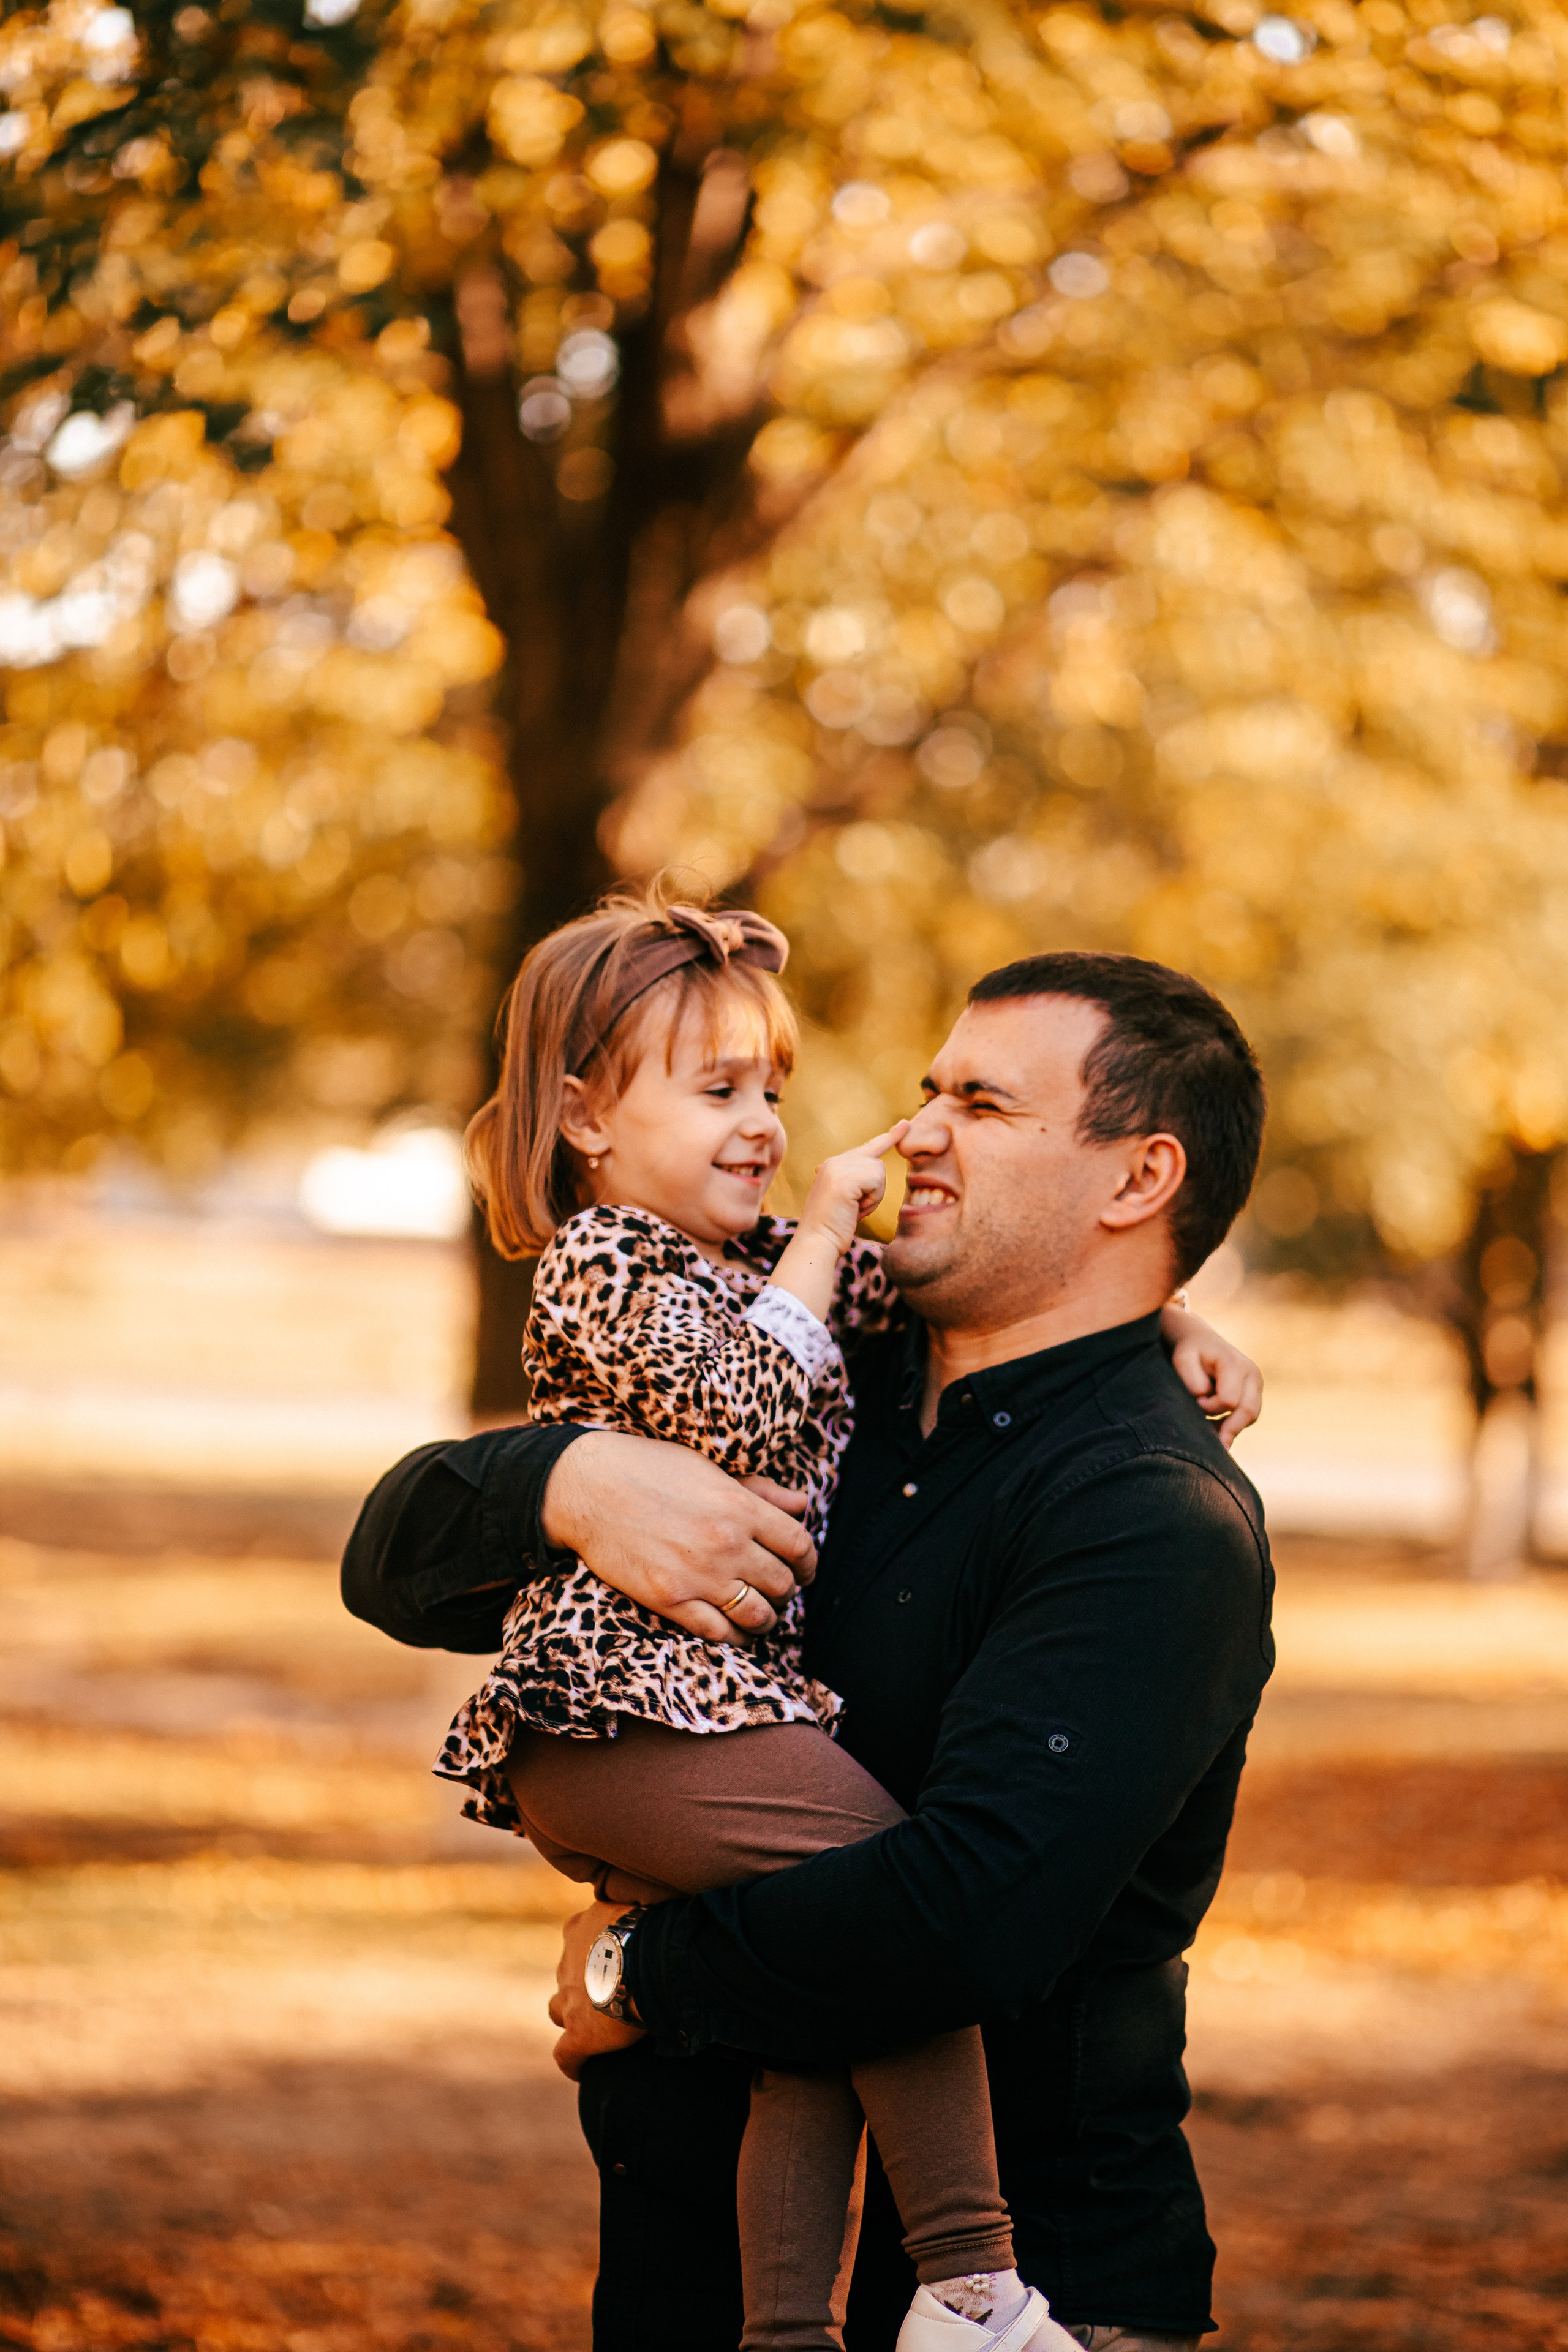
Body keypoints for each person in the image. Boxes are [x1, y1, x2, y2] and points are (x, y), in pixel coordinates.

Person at [342, 944, 1272, 2352]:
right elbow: (392, 1566)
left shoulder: (1148, 1513)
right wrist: (570, 1484)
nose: (916, 1135)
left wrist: (637, 1974)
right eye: (927, 1089)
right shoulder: (830, 1372)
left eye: (982, 1104)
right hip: (687, 2268)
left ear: (1136, 1182)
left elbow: (963, 1920)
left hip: (1036, 2286)